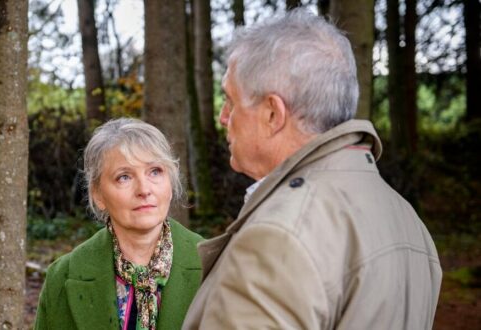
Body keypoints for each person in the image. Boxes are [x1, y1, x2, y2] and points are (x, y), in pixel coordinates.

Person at [183, 8, 442, 330]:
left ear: (273, 114)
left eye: (231, 100)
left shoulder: (279, 236)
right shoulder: (404, 215)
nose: (224, 117)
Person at [34, 118, 203, 330]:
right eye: (124, 177)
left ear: (170, 183)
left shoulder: (214, 266)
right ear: (98, 194)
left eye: (155, 171)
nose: (144, 189)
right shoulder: (62, 278)